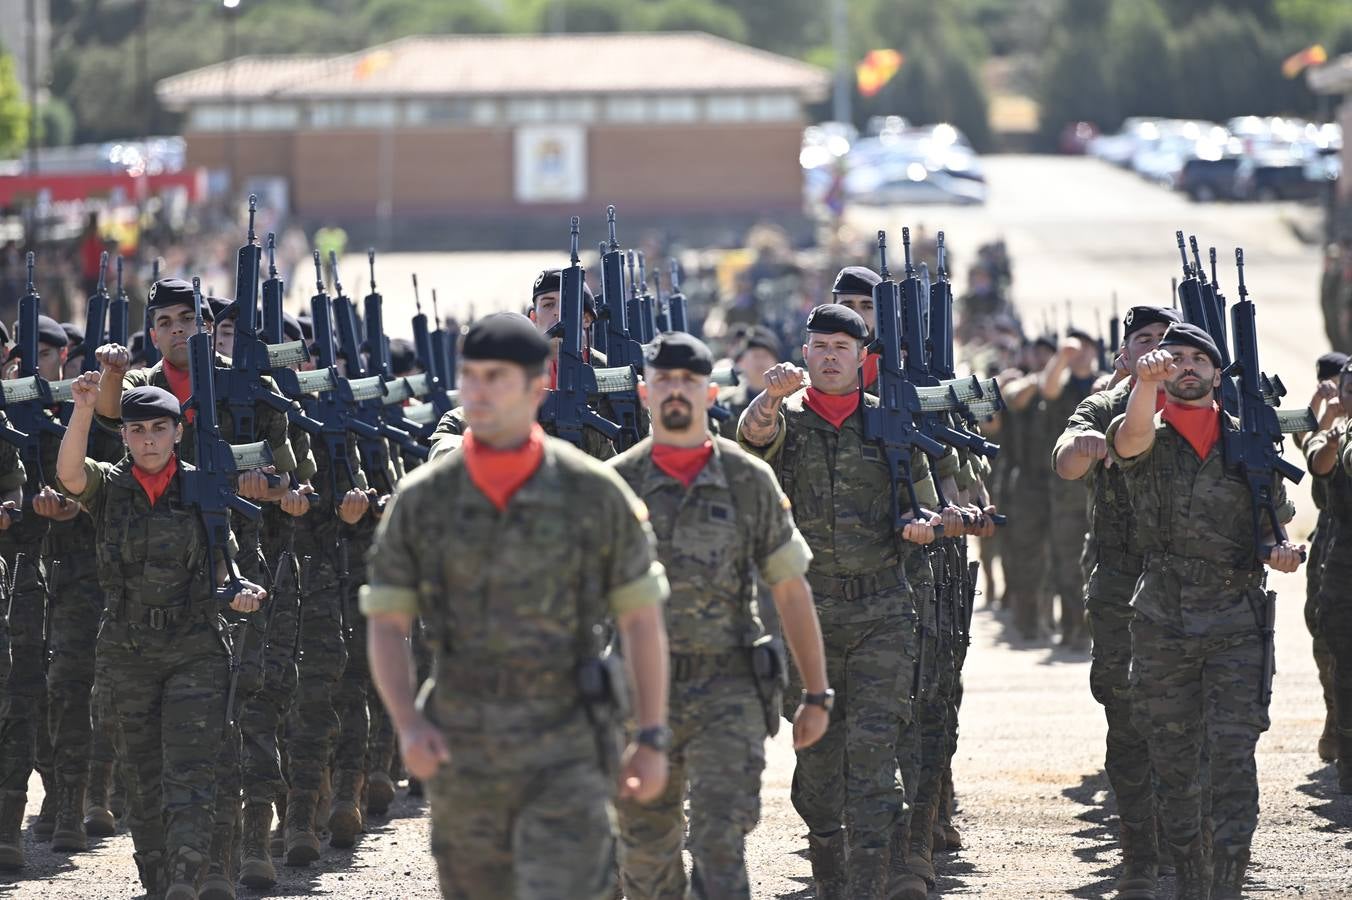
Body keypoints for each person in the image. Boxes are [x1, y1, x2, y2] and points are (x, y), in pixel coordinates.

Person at [362, 312, 672, 899]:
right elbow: (387, 619)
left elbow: (640, 620)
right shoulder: (425, 498)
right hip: (463, 739)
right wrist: (407, 723)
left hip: (570, 740)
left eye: (495, 377)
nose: (477, 392)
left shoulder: (593, 492)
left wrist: (651, 735)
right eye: (470, 376)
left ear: (538, 386)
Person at [609, 331, 830, 899]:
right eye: (663, 381)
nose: (675, 392)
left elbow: (790, 588)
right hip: (635, 699)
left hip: (727, 690)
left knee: (719, 845)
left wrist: (816, 693)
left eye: (688, 382)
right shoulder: (612, 487)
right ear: (643, 392)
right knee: (645, 856)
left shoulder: (748, 480)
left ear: (710, 394)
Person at [737, 303, 938, 898]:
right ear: (804, 354)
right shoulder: (785, 418)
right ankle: (828, 865)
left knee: (875, 758)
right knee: (820, 767)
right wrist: (768, 398)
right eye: (819, 346)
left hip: (882, 611)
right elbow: (751, 442)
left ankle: (870, 884)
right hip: (807, 616)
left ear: (862, 358)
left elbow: (922, 498)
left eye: (841, 348)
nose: (829, 356)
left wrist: (927, 524)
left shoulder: (891, 423)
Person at [1109, 323, 1303, 899]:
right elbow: (1128, 439)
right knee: (1172, 758)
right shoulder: (1148, 430)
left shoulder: (1250, 441)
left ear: (1219, 376)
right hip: (1164, 619)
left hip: (1235, 621)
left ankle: (1228, 884)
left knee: (1233, 754)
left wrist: (1281, 551)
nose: (1188, 367)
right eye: (1179, 359)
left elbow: (1275, 520)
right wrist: (1147, 382)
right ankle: (1190, 880)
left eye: (1201, 359)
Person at [55, 377, 267, 899]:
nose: (148, 439)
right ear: (124, 436)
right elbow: (69, 476)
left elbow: (224, 563)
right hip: (127, 651)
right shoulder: (110, 486)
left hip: (193, 647)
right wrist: (83, 410)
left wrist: (237, 591)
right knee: (141, 777)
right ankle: (157, 878)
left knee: (190, 772)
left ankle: (184, 880)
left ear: (177, 433)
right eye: (137, 429)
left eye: (159, 428)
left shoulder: (204, 488)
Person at [1052, 305, 1179, 898]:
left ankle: (1190, 845)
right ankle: (1140, 855)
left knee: (1193, 721)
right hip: (1122, 584)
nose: (1155, 349)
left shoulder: (1206, 406)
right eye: (1143, 341)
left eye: (1166, 340)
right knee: (1128, 717)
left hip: (1194, 586)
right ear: (1125, 355)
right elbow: (1066, 462)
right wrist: (1082, 445)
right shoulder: (1105, 407)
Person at [1305, 358, 1352, 790]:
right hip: (1335, 544)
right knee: (1330, 643)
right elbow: (1314, 456)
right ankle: (1337, 718)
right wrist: (1326, 414)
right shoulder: (1334, 429)